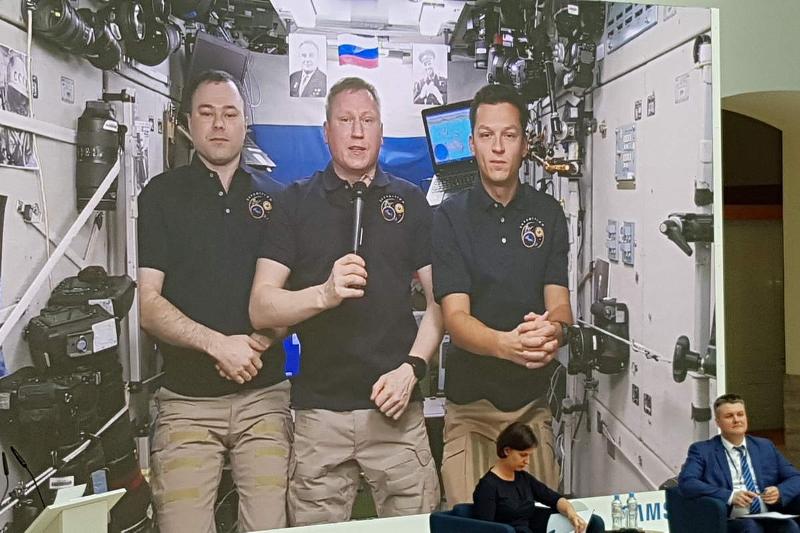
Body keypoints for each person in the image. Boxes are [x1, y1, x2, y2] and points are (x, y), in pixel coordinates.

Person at [250, 76, 443, 525]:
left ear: (381, 132)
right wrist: (324, 293)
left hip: (395, 410)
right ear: (326, 131)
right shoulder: (294, 202)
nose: (357, 132)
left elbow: (441, 303)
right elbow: (261, 306)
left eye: (367, 121)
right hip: (320, 415)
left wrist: (411, 369)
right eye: (345, 120)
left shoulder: (410, 201)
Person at [137, 69, 291, 532]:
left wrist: (256, 345)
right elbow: (148, 304)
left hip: (263, 399)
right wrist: (219, 346)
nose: (219, 124)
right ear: (188, 123)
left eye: (230, 113)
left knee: (269, 524)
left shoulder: (279, 200)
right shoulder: (161, 196)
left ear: (246, 123)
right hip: (186, 403)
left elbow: (291, 298)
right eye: (207, 113)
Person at [432, 83, 571, 505]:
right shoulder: (450, 217)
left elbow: (560, 305)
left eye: (509, 135)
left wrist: (553, 333)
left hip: (530, 408)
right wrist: (504, 345)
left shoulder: (549, 214)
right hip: (471, 410)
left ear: (525, 144)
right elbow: (455, 319)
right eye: (486, 135)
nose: (497, 147)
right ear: (472, 143)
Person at [678, 394, 800, 533]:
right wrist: (730, 496)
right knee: (751, 528)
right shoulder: (703, 450)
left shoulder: (765, 446)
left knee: (790, 527)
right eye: (729, 416)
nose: (736, 420)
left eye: (740, 414)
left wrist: (780, 492)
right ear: (718, 422)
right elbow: (687, 482)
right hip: (730, 518)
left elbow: (796, 477)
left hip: (768, 514)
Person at [473, 422, 605, 533]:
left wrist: (572, 514)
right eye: (523, 455)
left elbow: (555, 499)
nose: (527, 461)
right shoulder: (488, 487)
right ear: (507, 451)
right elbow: (486, 529)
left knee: (594, 522)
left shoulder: (523, 479)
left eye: (529, 456)